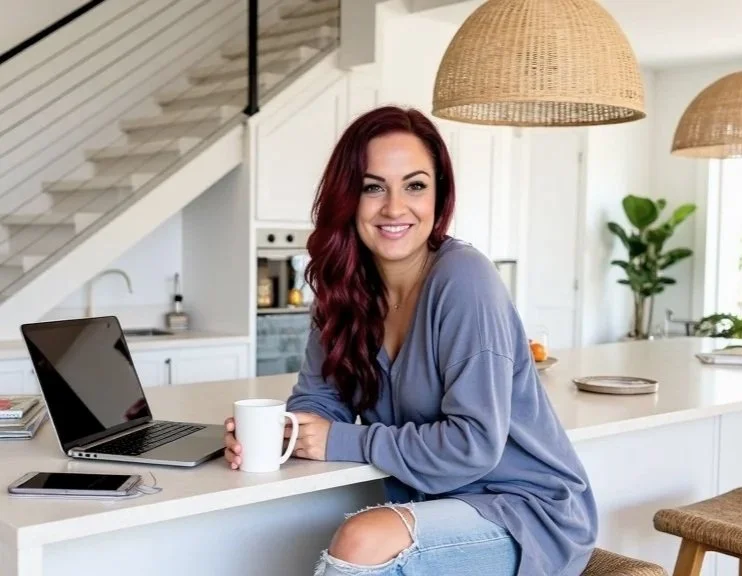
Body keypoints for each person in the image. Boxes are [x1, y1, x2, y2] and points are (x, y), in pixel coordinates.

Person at [224, 106, 598, 576]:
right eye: (373, 187)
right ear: (348, 197)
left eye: (415, 186)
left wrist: (343, 439)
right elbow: (320, 401)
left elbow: (473, 446)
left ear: (439, 195)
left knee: (362, 539)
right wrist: (279, 434)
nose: (394, 208)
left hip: (524, 510)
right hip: (430, 504)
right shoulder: (343, 286)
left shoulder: (465, 280)